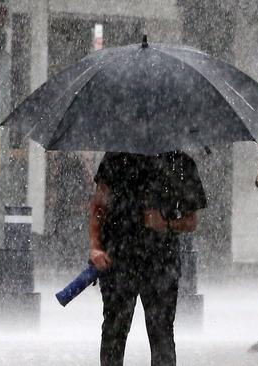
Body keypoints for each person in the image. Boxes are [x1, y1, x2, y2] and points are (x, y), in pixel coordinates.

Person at [88, 151, 207, 366]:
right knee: (114, 332)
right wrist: (95, 247)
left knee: (161, 334)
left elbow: (191, 222)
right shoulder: (115, 158)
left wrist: (166, 224)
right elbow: (99, 205)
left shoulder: (180, 163)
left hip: (161, 263)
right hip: (118, 260)